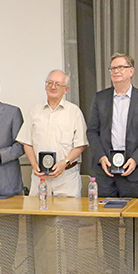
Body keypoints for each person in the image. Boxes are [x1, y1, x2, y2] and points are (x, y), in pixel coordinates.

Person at [87, 53, 138, 197]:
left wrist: (135, 159)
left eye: (120, 67)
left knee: (132, 212)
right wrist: (101, 157)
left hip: (133, 172)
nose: (116, 71)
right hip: (105, 172)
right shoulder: (100, 98)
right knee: (105, 212)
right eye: (113, 68)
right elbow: (92, 131)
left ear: (131, 71)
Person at [17, 69, 88, 197]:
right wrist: (34, 164)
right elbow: (26, 142)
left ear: (66, 90)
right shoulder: (35, 111)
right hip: (40, 177)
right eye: (49, 83)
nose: (53, 87)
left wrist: (64, 163)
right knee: (38, 210)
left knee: (68, 211)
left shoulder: (74, 112)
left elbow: (80, 144)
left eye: (57, 84)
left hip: (66, 177)